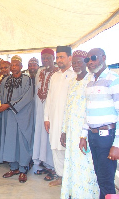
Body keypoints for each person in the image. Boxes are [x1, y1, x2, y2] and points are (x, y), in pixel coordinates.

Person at [79, 48, 119, 199]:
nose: (89, 62)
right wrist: (83, 136)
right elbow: (87, 112)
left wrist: (117, 144)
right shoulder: (90, 83)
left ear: (104, 57)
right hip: (92, 136)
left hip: (107, 137)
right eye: (87, 59)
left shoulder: (113, 79)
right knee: (100, 176)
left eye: (93, 58)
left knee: (107, 179)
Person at [60, 50, 99, 199]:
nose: (76, 65)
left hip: (84, 131)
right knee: (72, 163)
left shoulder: (90, 80)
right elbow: (67, 108)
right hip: (70, 131)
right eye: (74, 62)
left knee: (85, 164)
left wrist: (84, 133)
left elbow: (90, 109)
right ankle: (72, 193)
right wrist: (64, 131)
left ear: (85, 62)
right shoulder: (72, 82)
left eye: (79, 62)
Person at [0, 55, 34, 183]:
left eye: (16, 65)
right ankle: (13, 167)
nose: (14, 67)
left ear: (21, 67)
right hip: (9, 116)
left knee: (23, 142)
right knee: (10, 140)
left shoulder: (27, 79)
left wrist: (10, 105)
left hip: (22, 114)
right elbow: (0, 95)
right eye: (12, 65)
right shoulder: (6, 80)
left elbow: (28, 97)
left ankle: (23, 169)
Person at [44, 46, 76, 186]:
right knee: (55, 147)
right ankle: (61, 176)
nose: (59, 60)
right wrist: (46, 118)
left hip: (68, 120)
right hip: (53, 118)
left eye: (62, 57)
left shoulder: (76, 74)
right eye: (57, 57)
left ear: (70, 57)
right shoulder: (54, 76)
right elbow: (49, 98)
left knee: (67, 148)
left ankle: (71, 179)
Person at [32, 48, 59, 179]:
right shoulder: (39, 72)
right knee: (41, 135)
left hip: (52, 112)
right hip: (39, 110)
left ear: (53, 58)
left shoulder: (58, 72)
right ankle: (43, 163)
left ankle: (53, 167)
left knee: (50, 137)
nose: (46, 60)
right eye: (44, 58)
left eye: (49, 58)